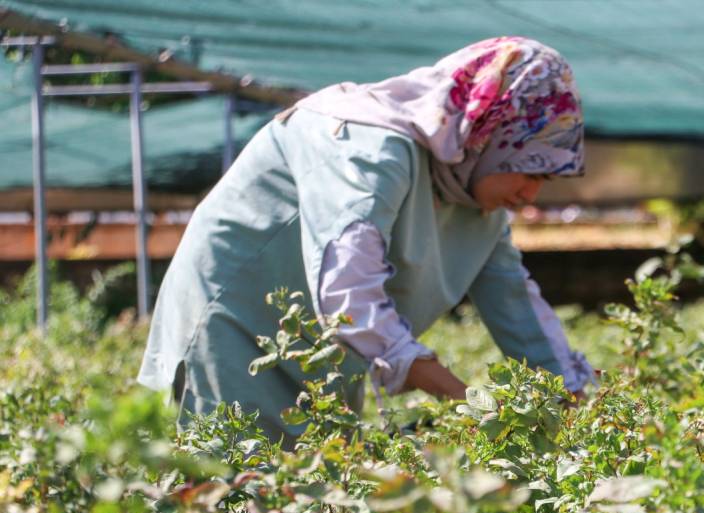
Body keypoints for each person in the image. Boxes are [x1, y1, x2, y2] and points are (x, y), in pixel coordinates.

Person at [137, 36, 594, 442]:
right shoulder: (370, 147)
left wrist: (578, 403)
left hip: (321, 353)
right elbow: (350, 301)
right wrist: (470, 405)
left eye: (546, 178)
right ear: (488, 134)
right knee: (230, 492)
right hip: (238, 325)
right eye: (527, 170)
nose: (529, 195)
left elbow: (517, 305)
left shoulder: (477, 197)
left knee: (312, 504)